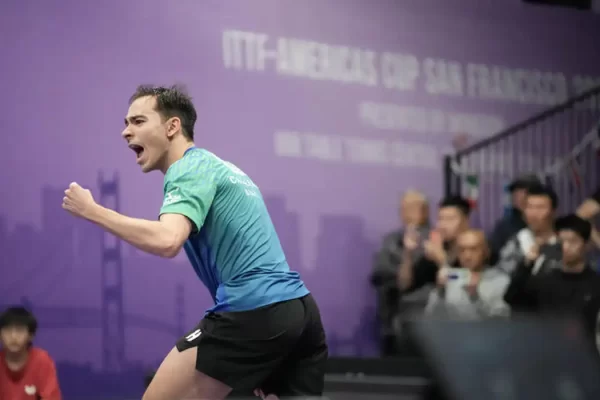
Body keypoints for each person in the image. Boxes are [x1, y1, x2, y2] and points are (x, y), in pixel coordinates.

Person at [62, 85, 327, 400]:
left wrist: (93, 211)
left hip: (255, 310)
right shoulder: (221, 167)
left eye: (138, 121)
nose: (126, 131)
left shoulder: (188, 168)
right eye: (126, 123)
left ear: (172, 126)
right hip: (300, 311)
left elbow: (168, 240)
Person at [503, 214, 600, 346]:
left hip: (585, 353)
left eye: (572, 241)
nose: (565, 247)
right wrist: (527, 264)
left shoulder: (595, 284)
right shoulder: (545, 280)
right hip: (547, 351)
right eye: (561, 242)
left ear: (586, 245)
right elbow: (511, 298)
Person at [425, 229, 510, 319]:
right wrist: (440, 292)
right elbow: (431, 317)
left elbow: (500, 320)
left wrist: (475, 297)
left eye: (473, 249)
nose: (467, 256)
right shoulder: (453, 276)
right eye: (462, 250)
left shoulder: (499, 280)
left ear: (485, 252)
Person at [398, 195, 471, 293]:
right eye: (440, 219)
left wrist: (442, 261)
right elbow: (404, 285)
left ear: (466, 221)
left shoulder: (475, 247)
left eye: (450, 219)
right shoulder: (437, 248)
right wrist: (408, 254)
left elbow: (469, 280)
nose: (443, 225)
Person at [0, 307, 62, 400]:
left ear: (31, 336)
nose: (13, 336)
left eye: (20, 330)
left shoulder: (41, 360)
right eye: (7, 331)